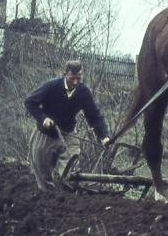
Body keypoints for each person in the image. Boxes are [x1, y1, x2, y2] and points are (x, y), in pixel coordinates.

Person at [25, 60, 111, 191]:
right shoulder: (51, 86)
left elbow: (94, 115)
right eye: (72, 78)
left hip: (68, 133)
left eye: (79, 78)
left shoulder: (83, 92)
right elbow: (30, 102)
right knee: (43, 174)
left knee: (71, 170)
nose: (75, 82)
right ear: (65, 75)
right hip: (46, 133)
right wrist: (43, 118)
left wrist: (103, 136)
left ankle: (70, 196)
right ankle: (47, 198)